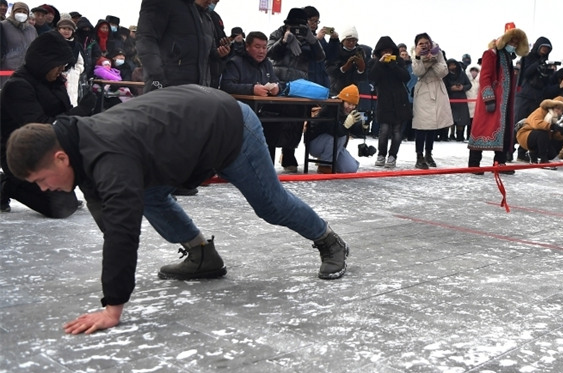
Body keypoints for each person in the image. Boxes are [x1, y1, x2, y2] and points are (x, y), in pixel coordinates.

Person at [6, 84, 349, 334]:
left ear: (60, 157)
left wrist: (113, 308)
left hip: (230, 128)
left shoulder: (108, 157)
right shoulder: (80, 149)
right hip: (194, 127)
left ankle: (329, 240)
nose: (43, 189)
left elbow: (123, 231)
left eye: (41, 179)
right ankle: (202, 255)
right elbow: (109, 222)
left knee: (270, 205)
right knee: (150, 195)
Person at [1, 31, 95, 216]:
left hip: (53, 150)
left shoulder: (54, 81)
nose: (61, 70)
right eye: (59, 65)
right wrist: (80, 111)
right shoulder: (18, 86)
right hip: (22, 154)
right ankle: (6, 185)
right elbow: (41, 129)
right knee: (58, 207)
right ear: (45, 62)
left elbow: (64, 117)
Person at [136, 0, 220, 92]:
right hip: (166, 88)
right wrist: (158, 79)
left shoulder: (192, 6)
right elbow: (146, 40)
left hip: (194, 89)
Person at [267, 7, 326, 172]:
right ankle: (268, 157)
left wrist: (313, 41)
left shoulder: (308, 37)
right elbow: (269, 53)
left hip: (299, 84)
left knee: (295, 122)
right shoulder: (277, 33)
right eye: (294, 25)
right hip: (277, 83)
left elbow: (320, 57)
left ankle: (289, 155)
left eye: (301, 25)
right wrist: (284, 41)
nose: (297, 29)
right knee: (272, 122)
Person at [468, 23, 529, 173]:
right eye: (512, 41)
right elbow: (485, 78)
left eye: (516, 42)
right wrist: (489, 98)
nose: (513, 44)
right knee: (482, 130)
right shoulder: (491, 54)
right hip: (491, 100)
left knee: (505, 131)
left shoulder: (509, 58)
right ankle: (474, 164)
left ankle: (500, 163)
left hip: (505, 102)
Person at [219, 30, 283, 161]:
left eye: (264, 48)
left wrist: (277, 88)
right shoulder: (235, 62)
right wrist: (251, 89)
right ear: (247, 47)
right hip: (241, 112)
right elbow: (226, 86)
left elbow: (277, 81)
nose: (261, 51)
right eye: (257, 47)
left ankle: (267, 163)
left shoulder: (267, 64)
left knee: (276, 122)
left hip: (264, 110)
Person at [368, 36, 412, 168]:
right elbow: (372, 77)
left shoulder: (399, 61)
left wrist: (394, 65)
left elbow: (406, 77)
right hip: (384, 100)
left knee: (397, 131)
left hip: (400, 100)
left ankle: (393, 155)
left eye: (389, 50)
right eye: (383, 51)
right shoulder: (374, 63)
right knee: (384, 130)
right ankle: (381, 155)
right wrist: (380, 63)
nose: (387, 53)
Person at [411, 33, 453, 169]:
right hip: (423, 89)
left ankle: (429, 154)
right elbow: (418, 72)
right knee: (421, 125)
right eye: (421, 43)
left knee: (432, 125)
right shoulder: (414, 53)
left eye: (426, 42)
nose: (424, 45)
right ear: (417, 45)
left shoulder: (438, 52)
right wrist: (419, 57)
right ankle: (419, 156)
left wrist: (433, 61)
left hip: (437, 88)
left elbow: (443, 71)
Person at [305, 84, 364, 173]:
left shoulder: (349, 112)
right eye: (349, 103)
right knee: (340, 137)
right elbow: (335, 132)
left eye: (353, 105)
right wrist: (345, 126)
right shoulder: (330, 108)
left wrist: (363, 127)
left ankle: (330, 160)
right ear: (342, 101)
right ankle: (325, 165)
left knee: (351, 168)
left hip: (335, 146)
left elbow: (355, 131)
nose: (350, 107)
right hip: (315, 142)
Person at [515, 96, 563, 165]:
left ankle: (534, 154)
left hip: (541, 138)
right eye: (558, 108)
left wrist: (561, 133)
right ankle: (543, 160)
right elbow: (536, 123)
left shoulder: (557, 119)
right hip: (525, 134)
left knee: (552, 153)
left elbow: (553, 135)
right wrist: (551, 126)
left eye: (562, 110)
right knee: (542, 133)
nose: (559, 111)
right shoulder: (541, 110)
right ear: (552, 106)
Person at [56, 17, 86, 106]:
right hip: (57, 75)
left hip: (72, 77)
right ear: (58, 29)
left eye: (69, 29)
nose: (67, 31)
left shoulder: (76, 45)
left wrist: (76, 71)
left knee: (72, 101)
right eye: (64, 28)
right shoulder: (53, 42)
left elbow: (80, 62)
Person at [1, 1, 37, 72]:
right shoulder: (3, 26)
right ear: (13, 12)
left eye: (24, 12)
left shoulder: (32, 29)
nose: (21, 14)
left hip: (26, 70)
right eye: (19, 11)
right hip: (6, 70)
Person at [444, 58, 472, 142]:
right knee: (448, 119)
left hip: (461, 99)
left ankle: (460, 136)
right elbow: (443, 86)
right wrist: (451, 88)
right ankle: (445, 136)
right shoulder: (445, 75)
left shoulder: (462, 74)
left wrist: (462, 87)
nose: (452, 67)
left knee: (461, 119)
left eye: (454, 65)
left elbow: (469, 85)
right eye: (450, 65)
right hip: (449, 98)